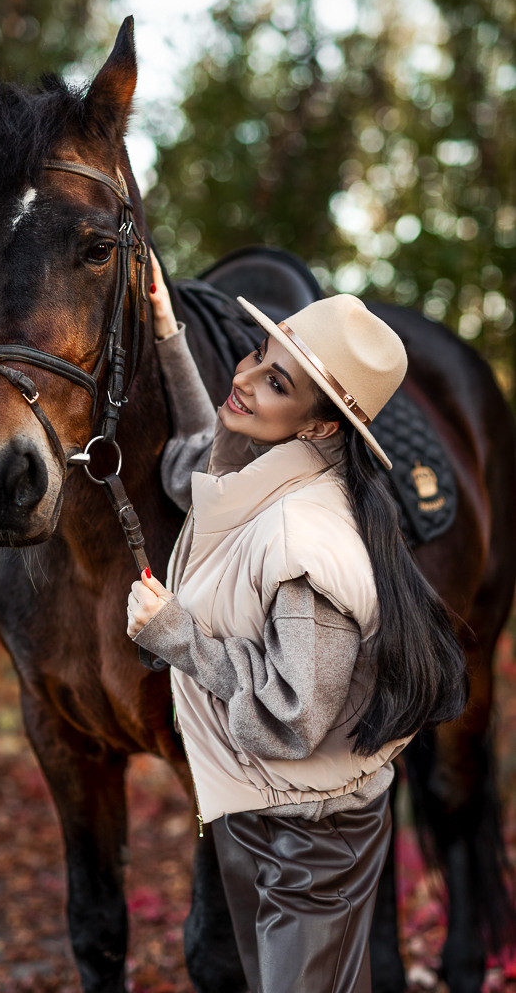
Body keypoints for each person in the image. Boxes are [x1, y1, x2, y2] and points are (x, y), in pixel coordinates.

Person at [126, 257, 467, 993]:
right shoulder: (269, 476)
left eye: (276, 381)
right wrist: (165, 331)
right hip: (272, 816)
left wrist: (175, 634)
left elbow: (290, 719)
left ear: (318, 423)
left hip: (304, 835)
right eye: (256, 355)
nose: (245, 379)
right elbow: (201, 451)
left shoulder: (305, 544)